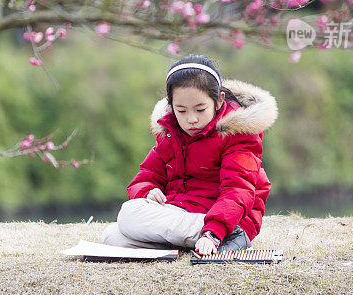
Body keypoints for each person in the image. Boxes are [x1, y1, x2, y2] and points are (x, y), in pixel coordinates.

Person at [101, 55, 277, 255]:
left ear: (218, 101)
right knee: (111, 236)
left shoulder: (238, 134)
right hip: (179, 213)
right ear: (170, 104)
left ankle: (224, 237)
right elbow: (146, 176)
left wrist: (214, 230)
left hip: (228, 220)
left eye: (200, 109)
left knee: (129, 214)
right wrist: (148, 192)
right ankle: (198, 241)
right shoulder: (170, 132)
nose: (191, 119)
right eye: (181, 110)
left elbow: (238, 191)